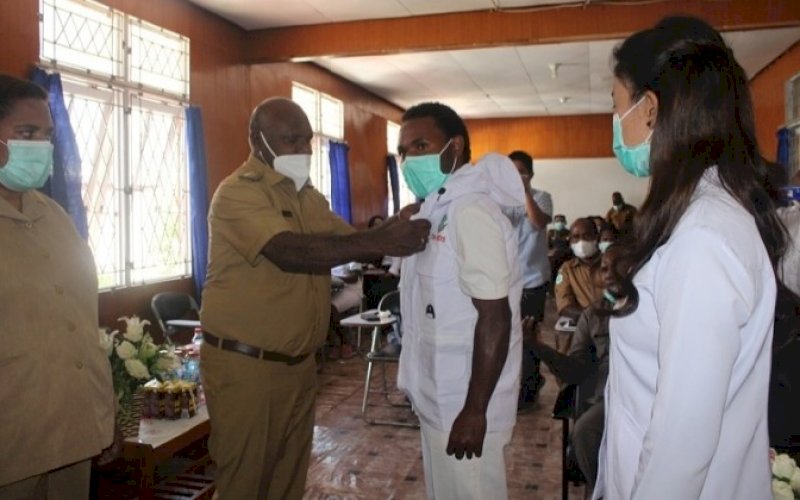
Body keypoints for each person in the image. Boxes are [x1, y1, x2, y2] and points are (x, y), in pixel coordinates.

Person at [593, 16, 787, 500]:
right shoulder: (694, 216)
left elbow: (682, 446)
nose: (615, 125)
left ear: (651, 110)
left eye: (618, 108)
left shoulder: (704, 237)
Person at [199, 97, 431, 500]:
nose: (303, 150)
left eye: (307, 141)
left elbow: (347, 241)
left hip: (297, 366)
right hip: (247, 366)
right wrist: (379, 239)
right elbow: (290, 251)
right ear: (257, 140)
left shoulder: (304, 195)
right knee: (245, 483)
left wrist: (397, 225)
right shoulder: (237, 194)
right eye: (292, 140)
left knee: (287, 481)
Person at [396, 102, 524, 499]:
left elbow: (495, 317)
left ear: (455, 147)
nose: (409, 159)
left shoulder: (471, 210)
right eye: (403, 151)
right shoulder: (436, 210)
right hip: (438, 398)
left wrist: (475, 410)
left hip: (464, 405)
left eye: (420, 145)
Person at [0, 74, 116, 498]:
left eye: (46, 135)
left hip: (72, 433)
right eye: (25, 133)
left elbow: (82, 324)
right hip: (12, 447)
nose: (40, 146)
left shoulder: (54, 216)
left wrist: (103, 414)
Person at [524, 245, 624, 489]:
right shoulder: (594, 315)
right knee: (586, 430)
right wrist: (539, 348)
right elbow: (576, 369)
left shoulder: (650, 306)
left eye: (618, 266)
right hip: (611, 398)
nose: (610, 274)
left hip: (648, 395)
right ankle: (602, 490)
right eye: (604, 268)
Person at [504, 150, 552, 408]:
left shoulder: (542, 197)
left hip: (532, 280)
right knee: (508, 339)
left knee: (528, 335)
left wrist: (523, 192)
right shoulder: (499, 201)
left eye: (520, 171)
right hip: (505, 282)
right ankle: (514, 387)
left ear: (530, 174)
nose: (515, 176)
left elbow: (538, 222)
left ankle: (530, 389)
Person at [554, 217, 604, 321]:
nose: (581, 241)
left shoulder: (611, 263)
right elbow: (564, 306)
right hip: (584, 324)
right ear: (570, 241)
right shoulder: (567, 269)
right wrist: (592, 317)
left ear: (596, 237)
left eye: (586, 235)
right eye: (576, 237)